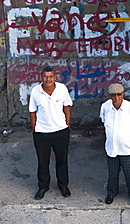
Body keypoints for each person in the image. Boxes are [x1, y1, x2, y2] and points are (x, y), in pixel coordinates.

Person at [29, 66, 73, 200]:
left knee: (62, 160)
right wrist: (34, 129)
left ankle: (63, 185)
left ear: (55, 77)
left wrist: (67, 125)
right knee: (43, 162)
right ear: (41, 77)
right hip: (42, 132)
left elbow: (67, 107)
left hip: (60, 131)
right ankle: (43, 186)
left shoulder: (62, 89)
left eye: (50, 76)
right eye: (45, 76)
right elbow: (32, 111)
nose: (48, 79)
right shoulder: (36, 91)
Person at [100, 83, 130, 206]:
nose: (116, 98)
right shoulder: (105, 107)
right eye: (113, 95)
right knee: (112, 173)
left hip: (128, 148)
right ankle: (111, 192)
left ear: (123, 94)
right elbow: (103, 120)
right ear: (109, 96)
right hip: (111, 147)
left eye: (119, 95)